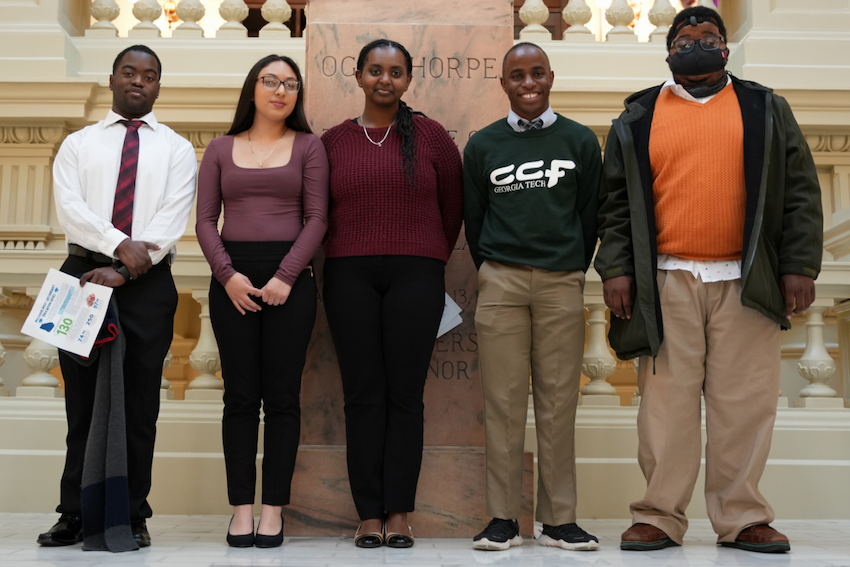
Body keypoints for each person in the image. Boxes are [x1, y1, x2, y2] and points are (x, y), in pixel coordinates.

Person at [596, 6, 823, 554]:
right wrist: (618, 268)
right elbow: (615, 206)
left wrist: (799, 264)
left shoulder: (765, 108)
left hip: (747, 279)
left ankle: (743, 517)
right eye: (685, 38)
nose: (697, 44)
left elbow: (799, 190)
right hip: (667, 279)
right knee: (665, 407)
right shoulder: (638, 117)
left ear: (725, 49)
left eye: (709, 37)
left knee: (744, 404)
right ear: (668, 50)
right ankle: (659, 516)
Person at [39, 45, 197, 548]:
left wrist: (126, 270)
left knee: (139, 403)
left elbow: (170, 222)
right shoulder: (77, 144)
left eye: (149, 76)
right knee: (80, 404)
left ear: (157, 87)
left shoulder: (175, 149)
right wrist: (117, 248)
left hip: (147, 285)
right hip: (82, 277)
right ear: (112, 79)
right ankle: (74, 512)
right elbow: (72, 208)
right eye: (129, 72)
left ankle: (132, 513)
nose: (138, 81)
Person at [320, 38, 463, 549]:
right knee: (362, 395)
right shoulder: (334, 141)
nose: (386, 79)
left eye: (396, 71)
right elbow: (318, 214)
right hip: (346, 275)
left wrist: (425, 256)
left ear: (409, 78)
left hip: (416, 274)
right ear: (357, 76)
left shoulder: (431, 138)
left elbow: (453, 209)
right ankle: (367, 514)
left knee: (405, 395)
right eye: (375, 70)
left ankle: (399, 511)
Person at [463, 43, 601, 552]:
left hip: (561, 281)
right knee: (501, 402)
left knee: (559, 401)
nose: (528, 82)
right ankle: (502, 518)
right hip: (500, 281)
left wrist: (569, 266)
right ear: (502, 83)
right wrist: (495, 268)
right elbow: (474, 220)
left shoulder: (581, 141)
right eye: (517, 74)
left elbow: (589, 217)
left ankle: (558, 519)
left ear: (550, 77)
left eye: (537, 72)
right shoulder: (483, 146)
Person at [196, 55, 328, 548]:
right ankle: (241, 510)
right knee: (239, 399)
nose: (281, 90)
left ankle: (272, 509)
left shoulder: (310, 147)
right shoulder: (220, 148)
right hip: (232, 277)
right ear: (252, 88)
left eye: (291, 84)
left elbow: (316, 219)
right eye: (271, 81)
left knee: (283, 399)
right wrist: (228, 276)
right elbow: (206, 221)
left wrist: (286, 276)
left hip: (289, 280)